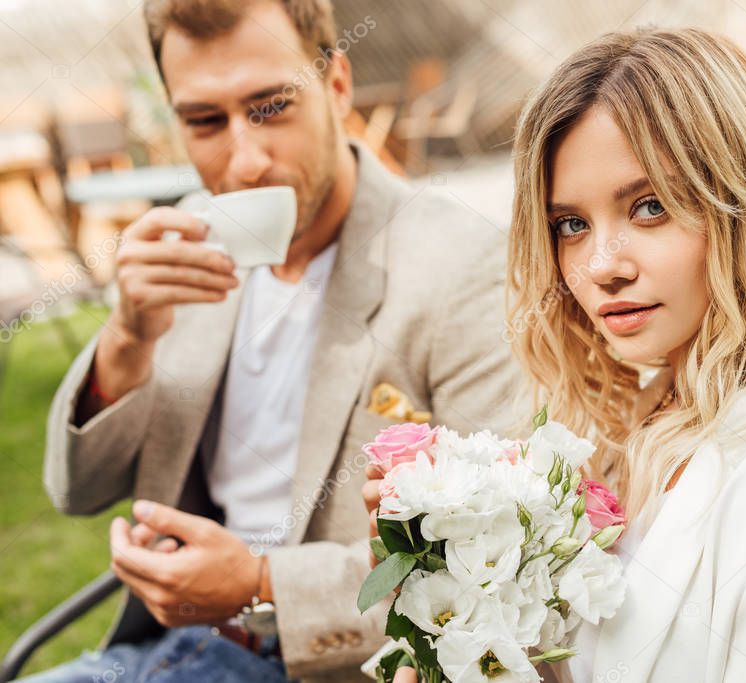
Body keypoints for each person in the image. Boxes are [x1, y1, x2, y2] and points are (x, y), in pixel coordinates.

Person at [366, 27, 746, 682]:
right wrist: (446, 570)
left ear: (744, 205)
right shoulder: (615, 436)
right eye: (570, 224)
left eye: (649, 207)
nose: (600, 265)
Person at [30, 1, 519, 681]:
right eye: (205, 121)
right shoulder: (187, 246)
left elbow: (499, 558)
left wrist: (260, 581)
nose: (246, 162)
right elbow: (75, 491)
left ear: (337, 85)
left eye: (271, 106)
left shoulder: (462, 265)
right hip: (166, 650)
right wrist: (127, 337)